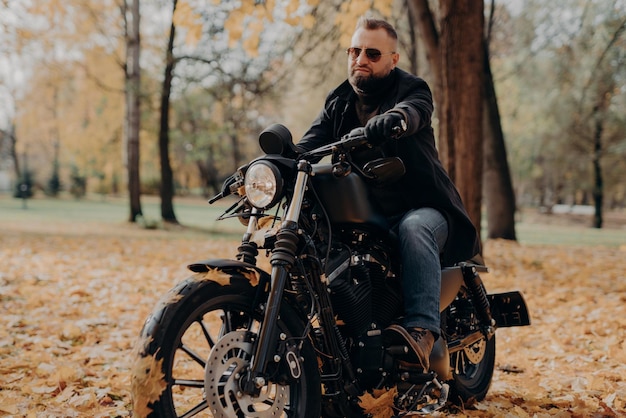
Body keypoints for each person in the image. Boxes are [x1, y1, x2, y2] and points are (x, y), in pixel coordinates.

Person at [297, 17, 481, 371]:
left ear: (393, 59)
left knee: (415, 228)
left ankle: (423, 330)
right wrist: (269, 163)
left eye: (372, 52)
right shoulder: (339, 102)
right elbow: (306, 145)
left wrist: (394, 120)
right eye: (354, 50)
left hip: (425, 207)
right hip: (371, 214)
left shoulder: (412, 89)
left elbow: (415, 112)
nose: (360, 59)